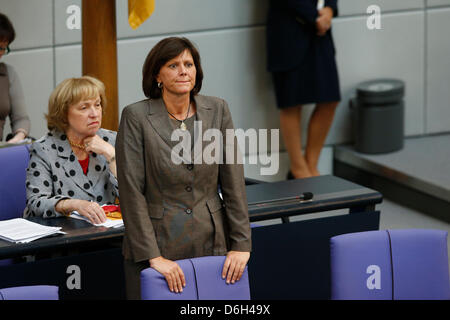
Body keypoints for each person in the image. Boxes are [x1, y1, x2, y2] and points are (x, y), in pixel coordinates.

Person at [116, 37, 252, 299]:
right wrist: (153, 256)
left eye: (189, 64)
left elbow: (234, 182)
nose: (183, 71)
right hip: (156, 246)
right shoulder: (135, 116)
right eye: (173, 65)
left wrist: (241, 244)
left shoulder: (218, 109)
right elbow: (131, 191)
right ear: (157, 75)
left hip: (213, 242)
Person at [24, 76, 118, 225]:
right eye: (84, 107)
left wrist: (111, 154)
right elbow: (36, 203)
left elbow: (135, 196)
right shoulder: (45, 149)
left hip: (107, 234)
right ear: (63, 114)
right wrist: (73, 204)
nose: (94, 113)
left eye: (97, 105)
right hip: (64, 239)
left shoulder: (111, 140)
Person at [266, 0, 341, 179]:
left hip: (320, 32)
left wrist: (329, 9)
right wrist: (314, 16)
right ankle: (299, 169)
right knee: (291, 102)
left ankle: (311, 166)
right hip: (288, 31)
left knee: (329, 99)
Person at [0, 12, 30, 143]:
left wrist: (17, 138)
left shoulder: (8, 73)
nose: (1, 53)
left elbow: (21, 119)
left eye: (3, 48)